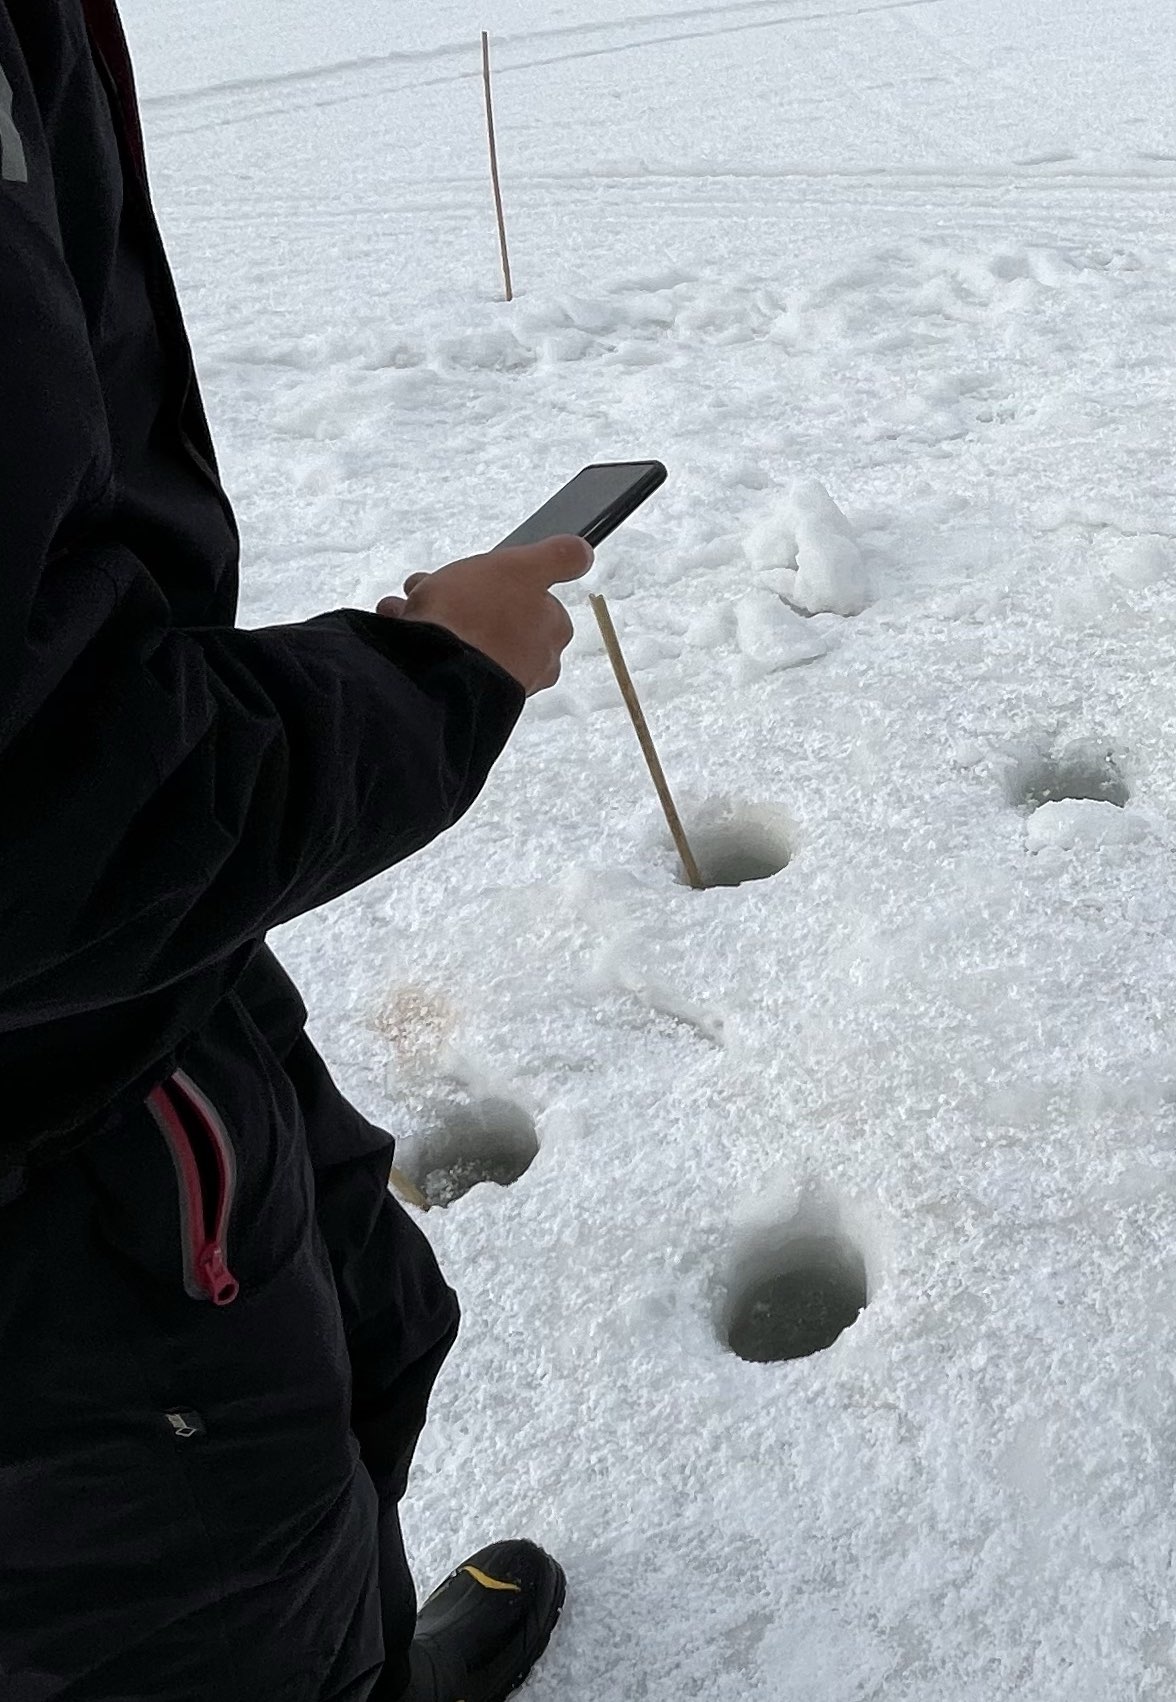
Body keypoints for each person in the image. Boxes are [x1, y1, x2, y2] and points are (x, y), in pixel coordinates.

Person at [3, 3, 580, 1695]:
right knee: (215, 1607)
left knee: (362, 1349)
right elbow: (51, 801)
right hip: (58, 1193)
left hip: (154, 1020)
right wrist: (440, 674)